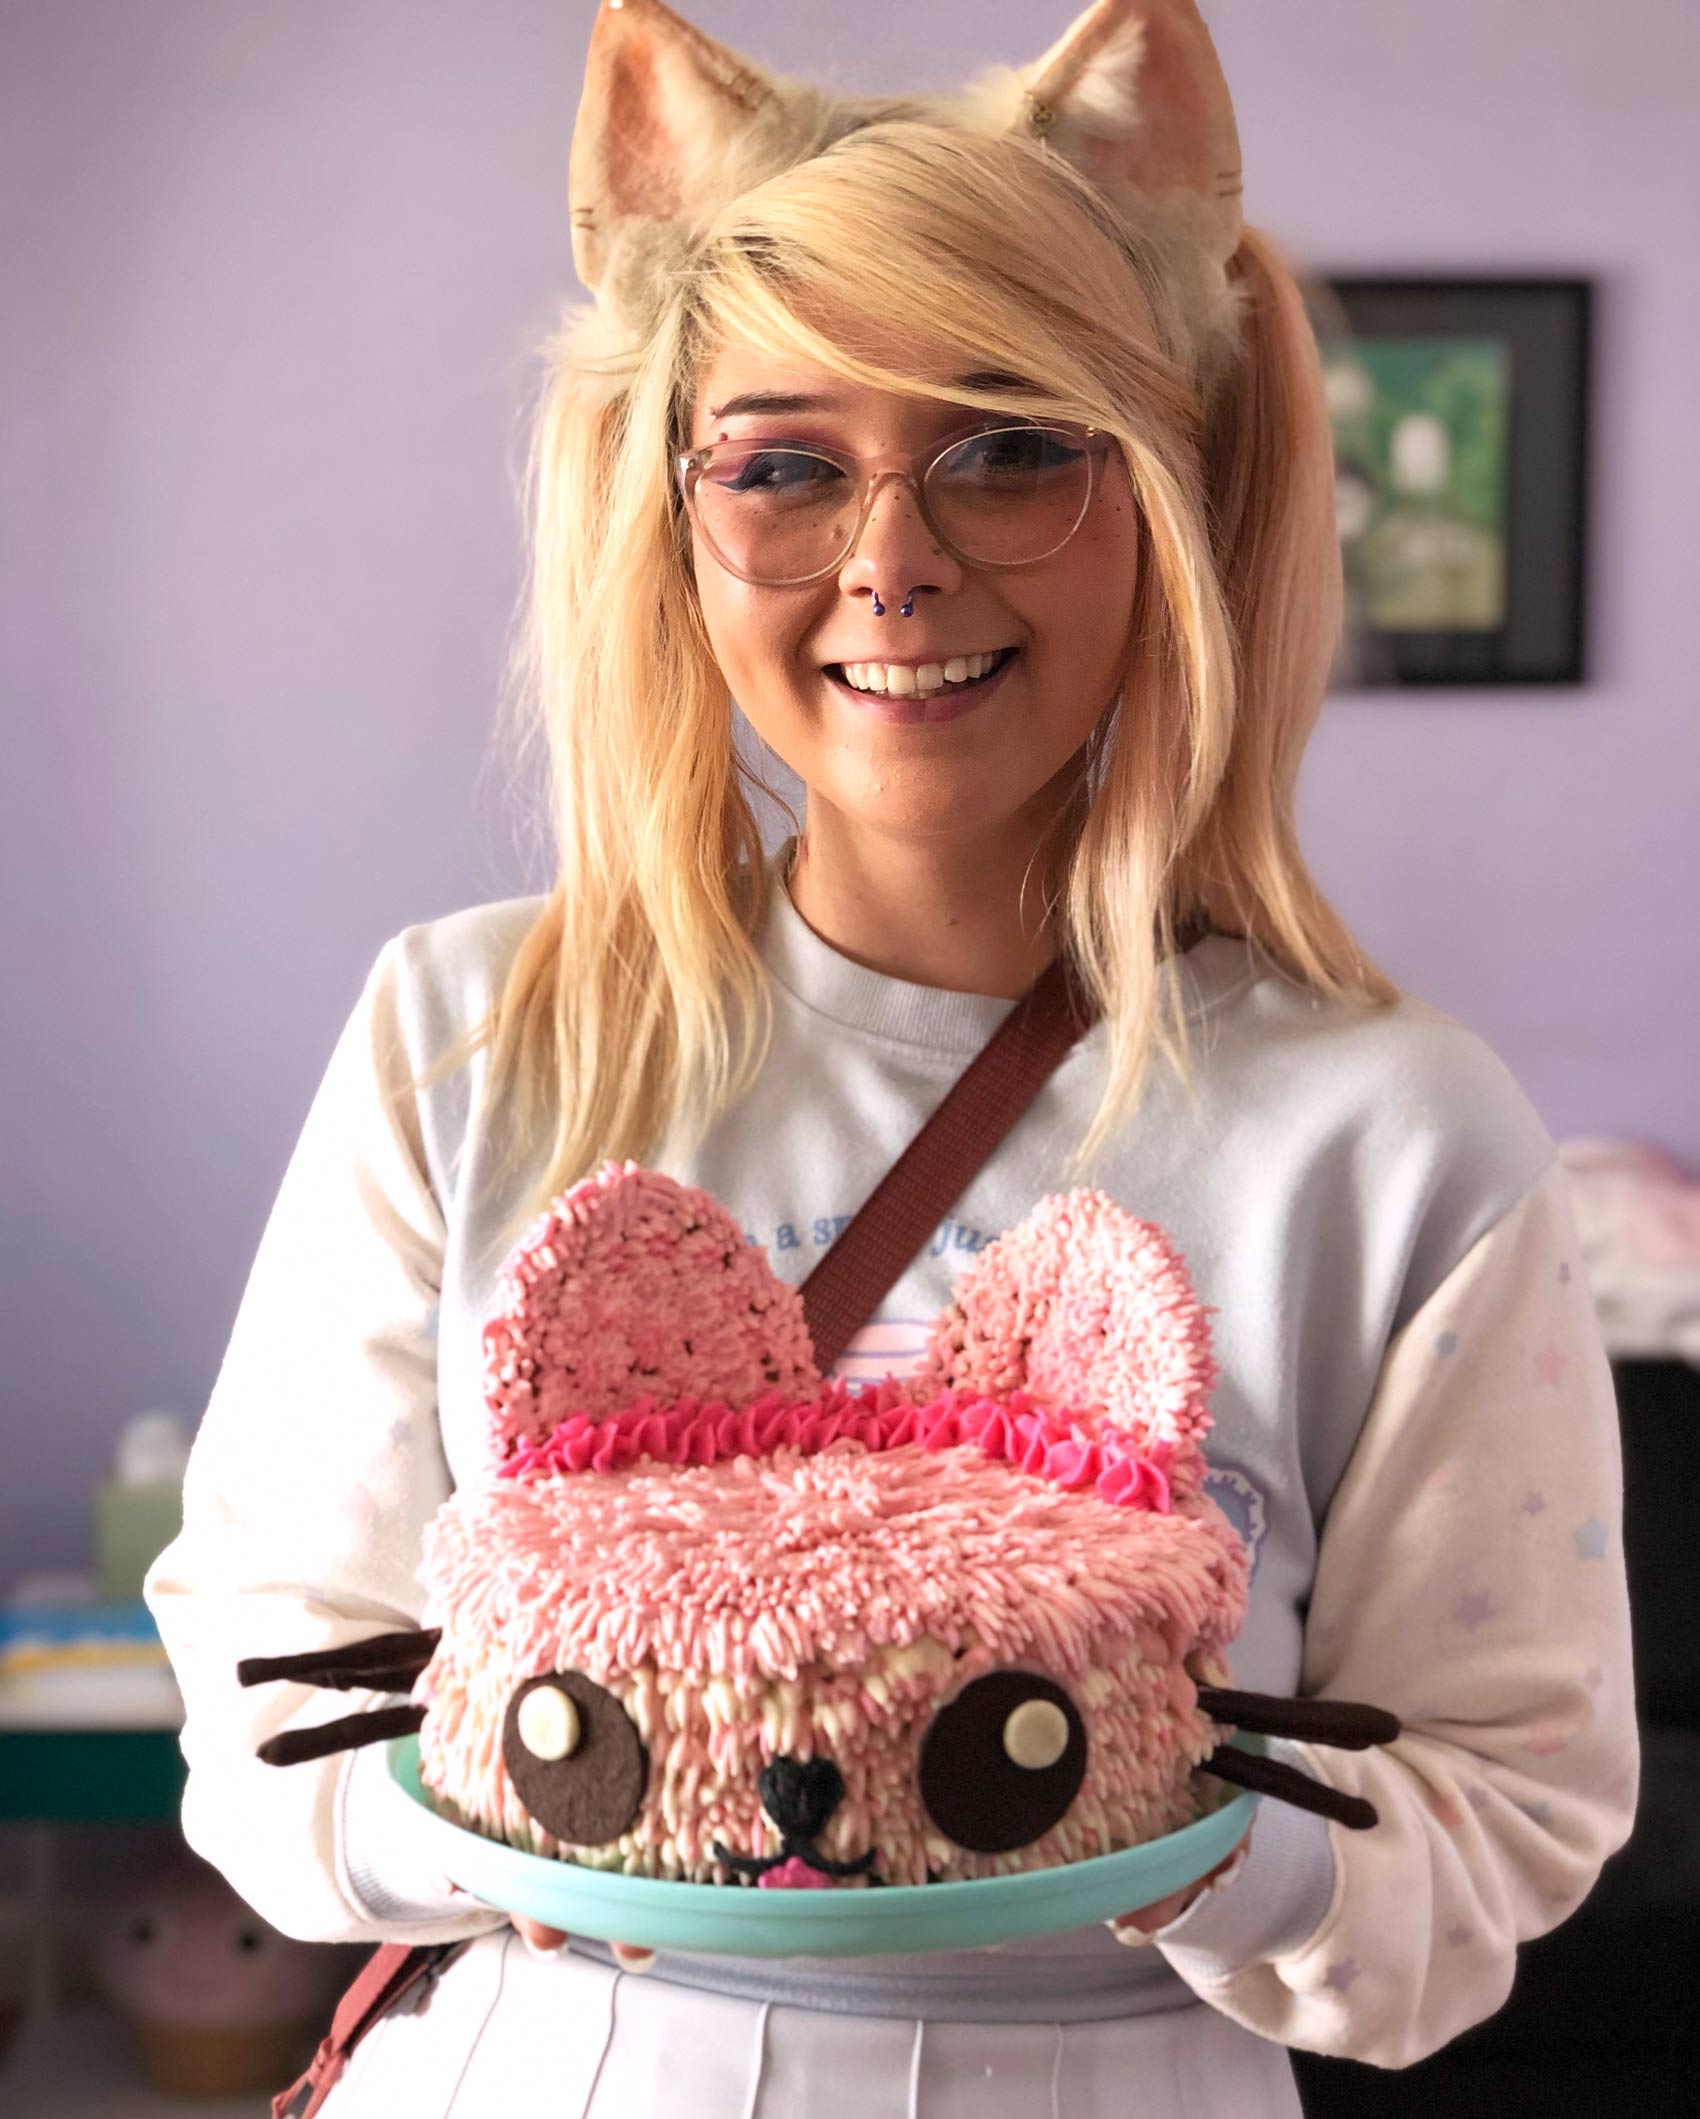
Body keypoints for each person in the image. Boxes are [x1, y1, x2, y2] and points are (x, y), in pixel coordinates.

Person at [144, 3, 1637, 2112]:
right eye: (780, 464)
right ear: (667, 518)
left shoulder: (1397, 1139)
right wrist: (582, 1792)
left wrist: (1124, 1801)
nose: (894, 557)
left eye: (1014, 443)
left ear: (1179, 489)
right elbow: (253, 1720)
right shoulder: (464, 1040)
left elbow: (1505, 1828)